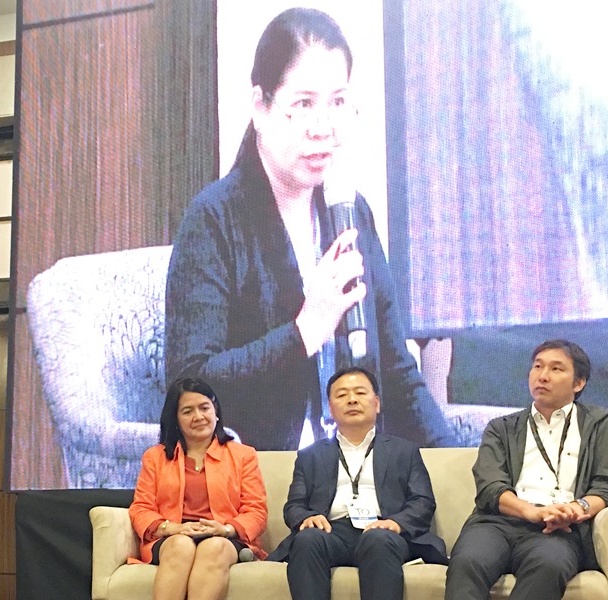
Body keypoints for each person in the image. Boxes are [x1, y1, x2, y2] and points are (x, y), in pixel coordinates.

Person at [165, 7, 452, 451]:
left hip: (364, 476)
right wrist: (304, 331)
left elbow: (396, 374)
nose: (324, 128)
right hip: (265, 482)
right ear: (260, 107)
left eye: (337, 102)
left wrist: (466, 474)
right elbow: (191, 386)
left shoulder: (351, 212)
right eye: (303, 104)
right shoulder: (213, 219)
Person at [444, 340, 608, 600]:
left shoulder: (597, 423)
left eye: (556, 369)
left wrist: (576, 510)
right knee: (468, 562)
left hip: (560, 529)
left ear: (579, 383)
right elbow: (490, 487)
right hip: (498, 524)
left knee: (549, 565)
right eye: (537, 366)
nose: (542, 376)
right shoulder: (501, 428)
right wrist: (531, 511)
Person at [268, 366, 447, 600]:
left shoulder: (404, 450)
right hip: (332, 531)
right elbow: (294, 506)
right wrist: (306, 518)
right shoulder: (310, 456)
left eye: (360, 393)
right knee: (307, 539)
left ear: (377, 403)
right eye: (342, 395)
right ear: (330, 408)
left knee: (378, 539)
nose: (352, 400)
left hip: (384, 531)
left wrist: (395, 523)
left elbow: (422, 501)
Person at [128, 377, 268, 600]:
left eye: (204, 408)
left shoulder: (243, 455)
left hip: (224, 536)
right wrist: (170, 528)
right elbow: (141, 508)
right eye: (187, 411)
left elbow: (256, 510)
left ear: (216, 411)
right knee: (180, 546)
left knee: (214, 548)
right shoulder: (155, 457)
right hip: (172, 537)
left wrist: (226, 529)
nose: (199, 417)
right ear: (175, 419)